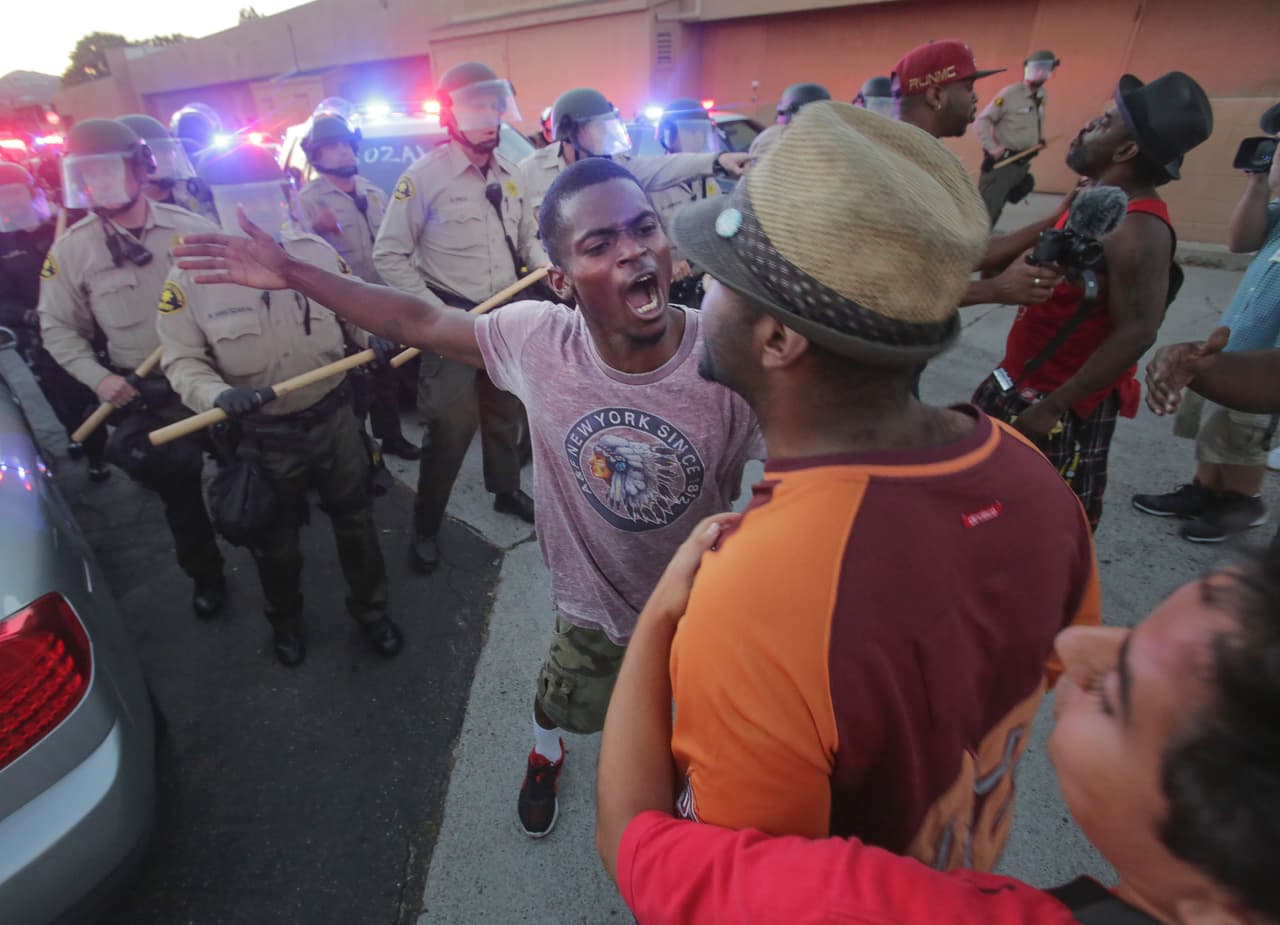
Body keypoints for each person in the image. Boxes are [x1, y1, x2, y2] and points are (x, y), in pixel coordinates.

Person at [172, 155, 760, 838]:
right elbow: (418, 319)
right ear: (562, 281)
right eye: (600, 244)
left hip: (702, 608)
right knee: (562, 698)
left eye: (644, 229)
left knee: (688, 722)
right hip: (594, 607)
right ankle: (546, 752)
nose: (633, 251)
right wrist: (297, 273)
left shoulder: (727, 361)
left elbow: (812, 476)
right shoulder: (538, 340)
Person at [651, 101, 1098, 869]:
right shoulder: (1035, 483)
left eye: (721, 280)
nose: (701, 292)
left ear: (779, 338)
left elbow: (735, 884)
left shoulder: (757, 595)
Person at [598, 516, 1280, 925]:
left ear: (1223, 905)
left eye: (1116, 694)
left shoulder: (872, 908)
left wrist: (660, 612)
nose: (1076, 647)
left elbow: (634, 839)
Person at [158, 142, 403, 667]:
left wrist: (369, 335)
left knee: (357, 524)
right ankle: (285, 621)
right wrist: (216, 395)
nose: (255, 210)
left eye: (266, 195)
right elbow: (181, 360)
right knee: (276, 545)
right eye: (239, 199)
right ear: (213, 202)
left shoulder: (311, 255)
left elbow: (354, 307)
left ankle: (372, 611)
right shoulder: (191, 276)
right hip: (263, 437)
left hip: (334, 418)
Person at [973, 72, 1214, 529]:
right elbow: (999, 253)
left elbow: (1138, 331)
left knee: (1040, 530)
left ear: (1127, 151)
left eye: (1104, 123)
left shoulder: (1139, 229)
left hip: (1056, 409)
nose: (1086, 127)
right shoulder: (1092, 199)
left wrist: (1052, 407)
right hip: (1015, 383)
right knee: (978, 512)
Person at [38, 118, 227, 619]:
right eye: (87, 173)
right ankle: (206, 576)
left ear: (141, 167)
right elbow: (57, 327)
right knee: (180, 497)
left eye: (107, 169)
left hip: (214, 377)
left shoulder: (191, 230)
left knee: (249, 474)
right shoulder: (71, 250)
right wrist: (99, 379)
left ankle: (271, 554)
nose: (97, 183)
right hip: (147, 392)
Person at [372, 61, 541, 574]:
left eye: (495, 108)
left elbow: (529, 237)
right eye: (478, 109)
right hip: (450, 322)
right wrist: (432, 311)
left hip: (504, 317)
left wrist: (546, 266)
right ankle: (425, 523)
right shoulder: (424, 178)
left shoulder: (514, 175)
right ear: (452, 115)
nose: (490, 119)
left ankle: (506, 490)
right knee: (449, 424)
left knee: (505, 412)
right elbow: (389, 255)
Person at [1132, 108, 1280, 542]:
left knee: (1243, 433)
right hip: (1231, 343)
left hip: (1264, 364)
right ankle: (1205, 489)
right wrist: (1257, 183)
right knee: (1214, 427)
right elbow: (1239, 241)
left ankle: (1239, 502)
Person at [297, 114, 419, 462]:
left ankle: (390, 437)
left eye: (347, 145)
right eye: (333, 147)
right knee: (352, 385)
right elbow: (298, 254)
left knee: (385, 373)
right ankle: (356, 450)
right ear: (316, 156)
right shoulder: (307, 202)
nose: (344, 153)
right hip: (339, 306)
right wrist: (315, 228)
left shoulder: (375, 193)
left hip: (380, 299)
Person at [0, 160, 108, 478]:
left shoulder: (61, 226)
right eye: (1, 195)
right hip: (41, 337)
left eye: (14, 193)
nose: (8, 201)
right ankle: (92, 451)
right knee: (64, 398)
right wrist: (29, 315)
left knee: (105, 384)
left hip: (90, 323)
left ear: (32, 193)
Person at [520, 87, 750, 234]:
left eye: (606, 126)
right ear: (570, 132)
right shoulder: (530, 172)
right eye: (597, 128)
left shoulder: (615, 165)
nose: (605, 134)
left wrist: (718, 161)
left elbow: (663, 167)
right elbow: (524, 233)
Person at [976, 50, 1061, 226]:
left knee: (997, 211)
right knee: (985, 213)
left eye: (1045, 68)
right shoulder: (1010, 94)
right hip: (1003, 166)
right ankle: (972, 250)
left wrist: (1038, 140)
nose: (1040, 72)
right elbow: (983, 120)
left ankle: (986, 247)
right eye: (1036, 68)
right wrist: (992, 148)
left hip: (1021, 163)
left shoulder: (1042, 95)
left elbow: (1032, 120)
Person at [892, 39, 1004, 140]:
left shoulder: (892, 149)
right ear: (936, 96)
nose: (975, 98)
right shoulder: (908, 159)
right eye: (969, 88)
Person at [116, 113, 210, 218]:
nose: (167, 156)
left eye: (168, 148)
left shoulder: (195, 192)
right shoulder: (119, 213)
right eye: (157, 151)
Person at [748, 83, 832, 160]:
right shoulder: (835, 143)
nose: (777, 119)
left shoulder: (772, 138)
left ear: (795, 113)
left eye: (781, 113)